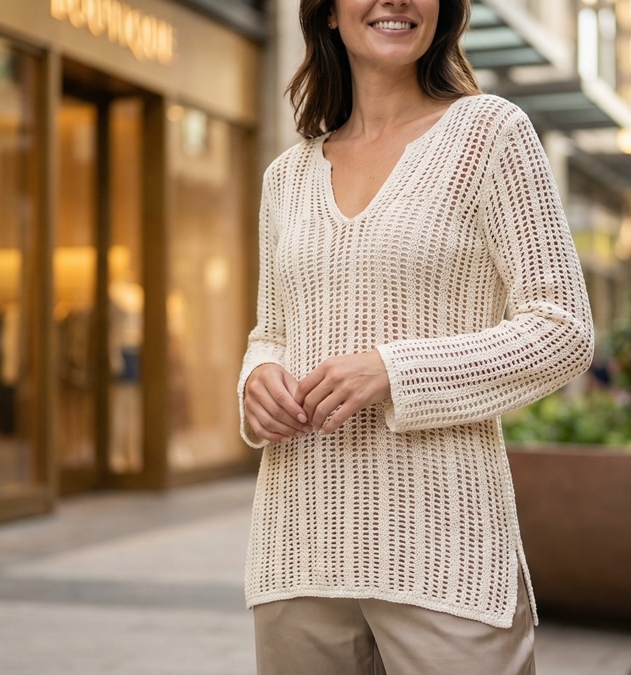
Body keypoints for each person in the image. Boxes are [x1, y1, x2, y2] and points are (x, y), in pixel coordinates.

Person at [237, 0, 594, 672]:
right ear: (328, 12)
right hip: (299, 549)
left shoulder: (490, 135)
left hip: (446, 552)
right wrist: (257, 379)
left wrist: (394, 371)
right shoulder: (286, 177)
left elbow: (563, 328)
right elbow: (273, 330)